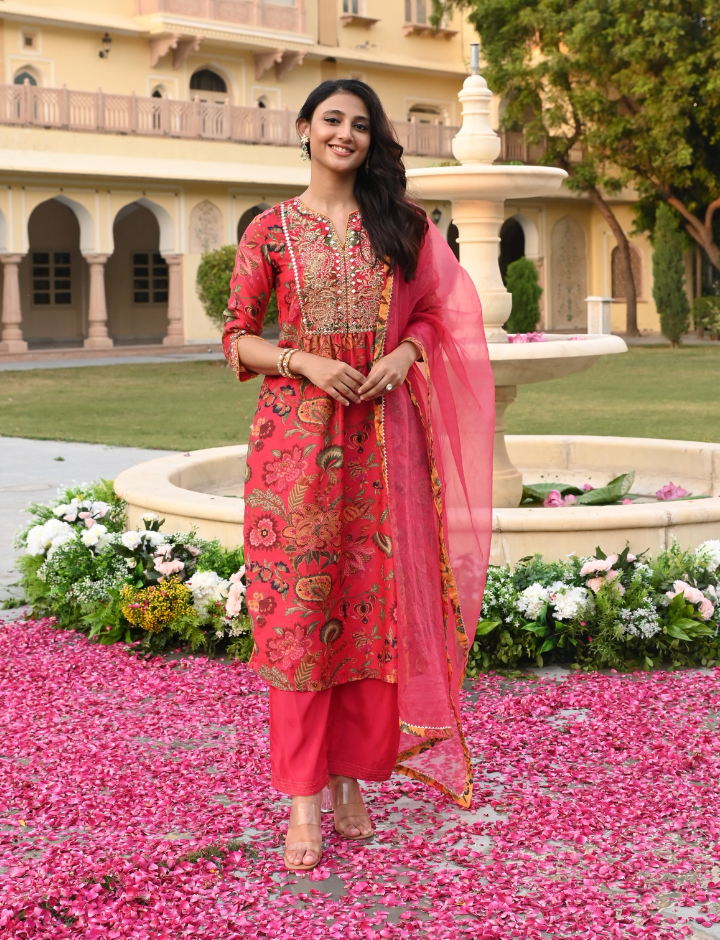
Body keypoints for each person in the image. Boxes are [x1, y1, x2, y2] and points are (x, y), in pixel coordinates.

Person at [222, 79, 494, 872]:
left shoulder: (402, 226)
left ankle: (354, 779)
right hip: (296, 448)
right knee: (300, 615)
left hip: (383, 435)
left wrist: (403, 356)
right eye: (332, 120)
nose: (345, 135)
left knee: (375, 610)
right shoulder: (268, 230)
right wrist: (302, 358)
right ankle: (302, 798)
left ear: (372, 141)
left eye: (360, 125)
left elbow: (439, 314)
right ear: (304, 129)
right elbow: (236, 336)